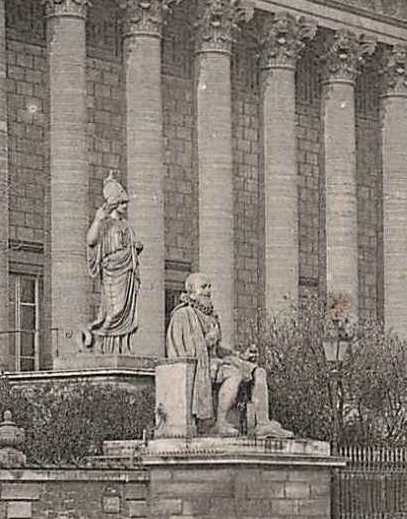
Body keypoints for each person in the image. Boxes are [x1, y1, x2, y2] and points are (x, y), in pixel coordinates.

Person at [165, 272, 291, 438]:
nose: (208, 291)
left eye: (209, 286)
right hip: (199, 366)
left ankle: (263, 423)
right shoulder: (184, 315)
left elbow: (219, 349)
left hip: (218, 361)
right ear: (191, 290)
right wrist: (209, 340)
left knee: (259, 372)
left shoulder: (211, 316)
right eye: (203, 287)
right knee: (235, 375)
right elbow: (185, 349)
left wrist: (241, 355)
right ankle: (220, 422)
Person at [81, 173, 143, 352]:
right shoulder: (104, 223)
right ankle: (98, 339)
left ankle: (122, 346)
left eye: (125, 203)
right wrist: (97, 220)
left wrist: (136, 247)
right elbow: (91, 241)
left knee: (126, 310)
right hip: (112, 270)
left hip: (127, 271)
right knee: (113, 310)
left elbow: (130, 244)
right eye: (121, 202)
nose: (124, 206)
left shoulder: (127, 225)